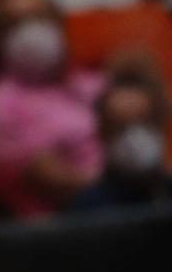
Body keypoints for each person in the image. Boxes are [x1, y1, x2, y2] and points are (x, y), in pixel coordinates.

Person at [0, 0, 105, 218]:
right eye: (17, 24)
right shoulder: (0, 106)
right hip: (76, 223)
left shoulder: (89, 83)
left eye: (39, 19)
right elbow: (51, 181)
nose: (31, 32)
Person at [72, 67, 172, 211]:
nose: (134, 137)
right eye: (121, 127)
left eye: (143, 123)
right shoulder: (87, 209)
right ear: (103, 134)